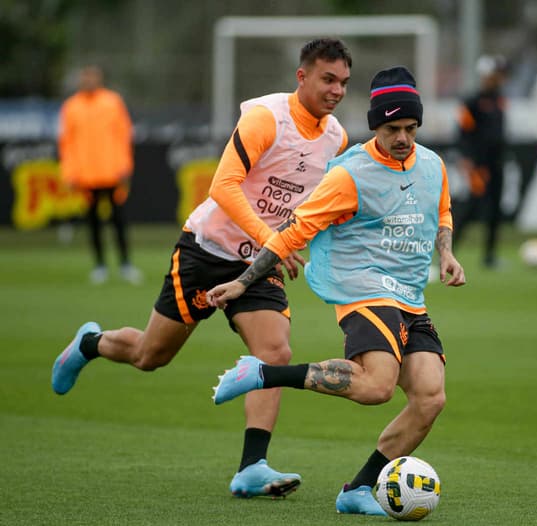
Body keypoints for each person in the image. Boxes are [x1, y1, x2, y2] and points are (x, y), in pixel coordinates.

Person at [51, 38, 353, 498]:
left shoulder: (336, 138)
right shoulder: (265, 117)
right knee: (151, 356)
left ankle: (253, 466)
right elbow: (224, 186)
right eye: (328, 79)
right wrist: (273, 238)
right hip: (206, 249)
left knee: (275, 352)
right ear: (302, 76)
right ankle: (89, 343)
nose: (336, 90)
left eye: (344, 83)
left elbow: (315, 207)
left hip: (259, 264)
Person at [207, 66, 466, 516]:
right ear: (375, 126)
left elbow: (440, 212)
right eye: (391, 129)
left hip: (409, 295)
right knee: (376, 387)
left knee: (430, 397)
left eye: (409, 128)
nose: (402, 138)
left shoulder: (432, 164)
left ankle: (357, 490)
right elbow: (294, 230)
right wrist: (244, 281)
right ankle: (262, 373)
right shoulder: (350, 174)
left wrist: (446, 254)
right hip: (363, 288)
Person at [58, 65, 142, 285]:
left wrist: (125, 166)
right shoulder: (71, 106)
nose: (88, 81)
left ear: (100, 78)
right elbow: (67, 142)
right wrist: (69, 171)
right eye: (85, 77)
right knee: (93, 222)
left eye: (92, 76)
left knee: (119, 220)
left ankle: (125, 264)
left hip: (112, 172)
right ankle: (100, 266)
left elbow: (124, 135)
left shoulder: (112, 102)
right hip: (86, 175)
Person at [453, 55, 508, 268]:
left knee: (495, 211)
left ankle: (490, 256)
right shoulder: (473, 101)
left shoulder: (500, 99)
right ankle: (448, 250)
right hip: (478, 164)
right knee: (470, 208)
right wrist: (466, 159)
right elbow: (462, 133)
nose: (496, 79)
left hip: (497, 163)